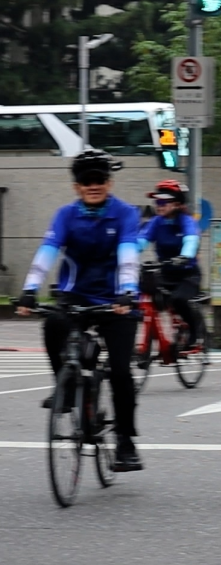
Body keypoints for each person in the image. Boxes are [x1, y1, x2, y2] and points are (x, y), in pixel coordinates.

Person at [16, 149, 143, 472]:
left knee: (119, 371)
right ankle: (66, 382)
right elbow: (48, 250)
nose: (93, 185)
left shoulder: (125, 214)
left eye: (99, 179)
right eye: (86, 181)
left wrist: (128, 291)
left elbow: (129, 253)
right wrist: (30, 289)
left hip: (117, 301)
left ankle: (126, 443)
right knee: (53, 324)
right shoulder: (65, 215)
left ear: (109, 182)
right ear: (76, 186)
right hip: (76, 296)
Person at [139, 179, 202, 347]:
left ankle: (195, 333)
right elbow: (141, 241)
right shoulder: (156, 222)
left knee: (179, 300)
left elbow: (191, 240)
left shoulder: (186, 221)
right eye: (157, 201)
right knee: (139, 295)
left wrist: (185, 256)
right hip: (164, 272)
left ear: (176, 204)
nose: (158, 205)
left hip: (187, 275)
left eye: (163, 201)